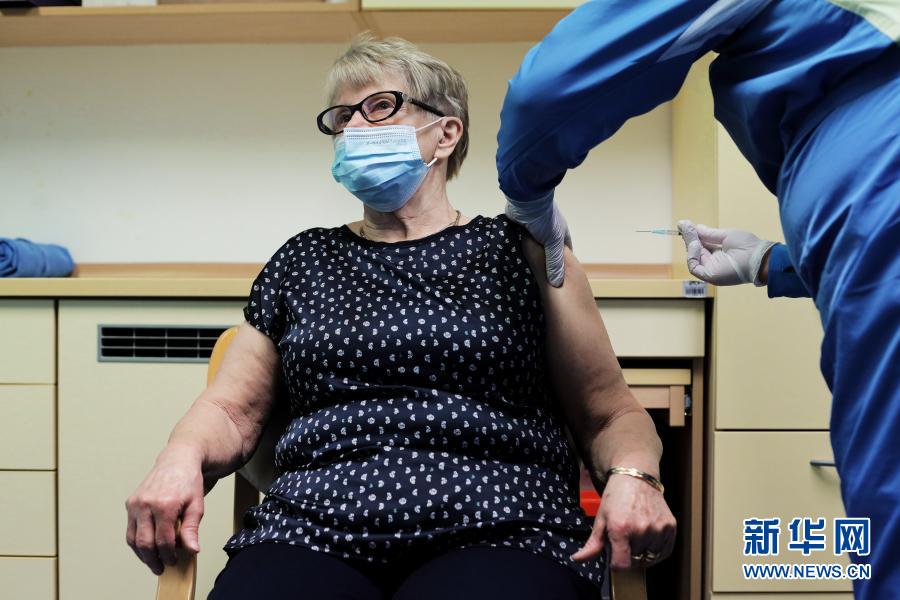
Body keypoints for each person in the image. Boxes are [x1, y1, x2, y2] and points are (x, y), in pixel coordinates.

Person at [125, 35, 676, 599]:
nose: (355, 128)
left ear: (446, 132)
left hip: (503, 527)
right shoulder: (302, 260)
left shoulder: (524, 251)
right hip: (314, 529)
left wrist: (635, 477)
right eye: (343, 117)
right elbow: (229, 410)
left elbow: (610, 415)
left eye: (380, 106)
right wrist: (179, 457)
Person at [495, 2, 899, 597]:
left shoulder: (504, 249)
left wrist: (525, 194)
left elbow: (546, 92)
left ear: (449, 132)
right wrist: (773, 263)